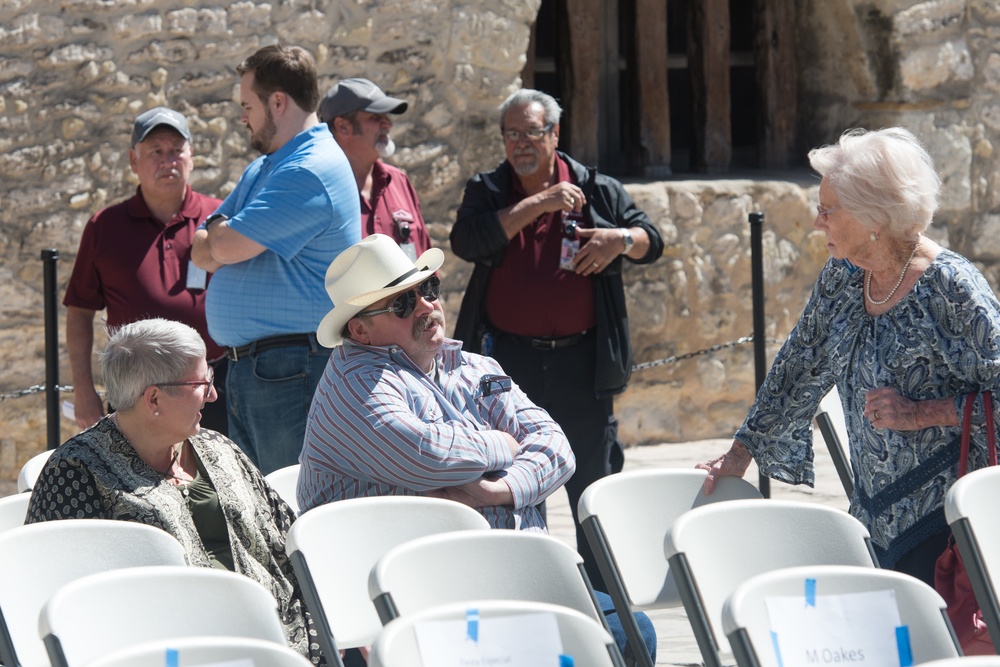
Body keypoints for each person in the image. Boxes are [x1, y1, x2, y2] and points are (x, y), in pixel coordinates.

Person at [297, 234, 657, 662]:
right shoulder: (358, 380)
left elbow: (557, 448)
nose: (427, 307)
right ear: (360, 329)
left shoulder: (475, 367)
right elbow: (428, 454)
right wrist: (503, 444)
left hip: (503, 580)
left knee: (630, 632)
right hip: (407, 601)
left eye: (427, 290)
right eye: (401, 303)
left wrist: (499, 492)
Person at [699, 127, 1000, 587]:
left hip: (950, 522)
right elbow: (798, 366)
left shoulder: (954, 290)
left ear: (873, 217)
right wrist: (739, 455)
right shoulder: (843, 275)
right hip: (873, 516)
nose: (817, 222)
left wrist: (921, 414)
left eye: (827, 210)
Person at [449, 88, 664, 589]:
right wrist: (539, 202)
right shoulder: (489, 189)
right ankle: (523, 585)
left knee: (594, 480)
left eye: (532, 132)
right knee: (513, 480)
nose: (522, 143)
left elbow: (651, 240)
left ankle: (608, 599)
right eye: (512, 134)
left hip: (582, 364)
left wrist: (620, 240)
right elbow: (468, 241)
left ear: (555, 134)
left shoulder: (597, 188)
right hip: (509, 368)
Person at [26, 319, 325, 665]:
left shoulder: (217, 448)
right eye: (201, 383)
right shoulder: (76, 473)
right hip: (170, 653)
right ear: (153, 398)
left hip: (283, 642)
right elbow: (62, 601)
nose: (213, 394)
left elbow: (287, 537)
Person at [192, 45, 361, 475]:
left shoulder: (307, 170)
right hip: (267, 369)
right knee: (264, 509)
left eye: (247, 105)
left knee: (288, 507)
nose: (243, 117)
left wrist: (221, 234)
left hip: (289, 368)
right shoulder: (269, 166)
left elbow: (222, 247)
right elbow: (201, 247)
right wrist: (220, 234)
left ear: (278, 101)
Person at [64, 107, 228, 434]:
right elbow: (79, 313)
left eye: (176, 150)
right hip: (134, 388)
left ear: (191, 157)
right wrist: (83, 390)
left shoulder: (221, 218)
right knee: (134, 482)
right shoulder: (105, 227)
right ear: (134, 161)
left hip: (214, 389)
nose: (168, 160)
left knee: (215, 480)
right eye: (155, 151)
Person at [318, 78, 432, 259]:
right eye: (376, 117)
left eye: (387, 117)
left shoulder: (398, 181)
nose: (388, 124)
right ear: (343, 126)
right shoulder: (317, 191)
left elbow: (425, 262)